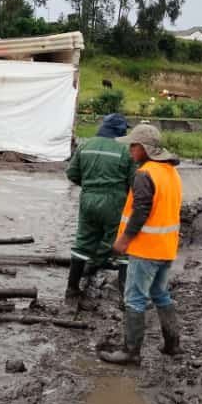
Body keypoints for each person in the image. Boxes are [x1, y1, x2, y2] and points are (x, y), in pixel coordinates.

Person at [98, 124, 183, 366]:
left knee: (134, 298)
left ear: (145, 148)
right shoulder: (170, 172)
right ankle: (172, 345)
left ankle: (131, 351)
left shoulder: (145, 174)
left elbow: (141, 211)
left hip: (146, 249)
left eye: (133, 146)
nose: (130, 151)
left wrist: (123, 240)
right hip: (166, 247)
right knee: (160, 293)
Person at [65, 113, 136, 301]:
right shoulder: (125, 150)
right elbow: (134, 182)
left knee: (83, 240)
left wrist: (90, 185)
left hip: (88, 198)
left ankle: (72, 288)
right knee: (121, 245)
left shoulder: (86, 145)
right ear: (121, 131)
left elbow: (72, 174)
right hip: (115, 200)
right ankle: (123, 296)